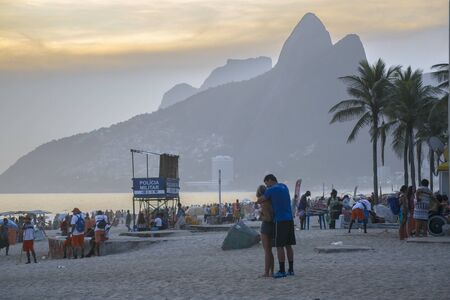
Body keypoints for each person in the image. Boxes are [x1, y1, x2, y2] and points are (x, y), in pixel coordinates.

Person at [258, 174, 296, 278]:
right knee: (289, 245)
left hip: (280, 219)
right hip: (289, 219)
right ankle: (291, 269)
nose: (267, 186)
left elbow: (261, 199)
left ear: (270, 180)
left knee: (280, 246)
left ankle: (282, 270)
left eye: (267, 184)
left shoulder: (271, 190)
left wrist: (258, 199)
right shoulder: (284, 186)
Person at [256, 185, 274, 278]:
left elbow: (267, 218)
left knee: (267, 251)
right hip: (272, 226)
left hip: (266, 227)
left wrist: (260, 216)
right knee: (270, 251)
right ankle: (272, 272)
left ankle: (266, 272)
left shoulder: (264, 203)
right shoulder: (271, 201)